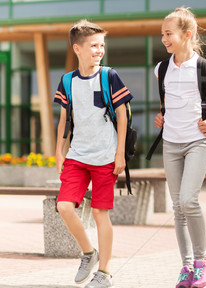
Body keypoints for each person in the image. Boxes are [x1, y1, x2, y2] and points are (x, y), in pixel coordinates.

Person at [153, 7, 206, 288]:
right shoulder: (161, 69)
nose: (164, 39)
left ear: (186, 34)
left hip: (197, 142)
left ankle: (203, 262)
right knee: (178, 207)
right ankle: (187, 267)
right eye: (162, 34)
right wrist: (161, 116)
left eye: (169, 34)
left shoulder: (205, 68)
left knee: (189, 200)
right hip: (170, 143)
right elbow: (171, 102)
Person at [54, 20, 133, 288]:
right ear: (77, 48)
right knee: (63, 206)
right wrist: (58, 153)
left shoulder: (109, 76)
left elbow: (122, 116)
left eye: (102, 45)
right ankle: (89, 253)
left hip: (106, 156)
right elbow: (64, 119)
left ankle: (105, 272)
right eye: (93, 46)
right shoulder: (67, 81)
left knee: (101, 213)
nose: (99, 50)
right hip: (77, 155)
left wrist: (120, 153)